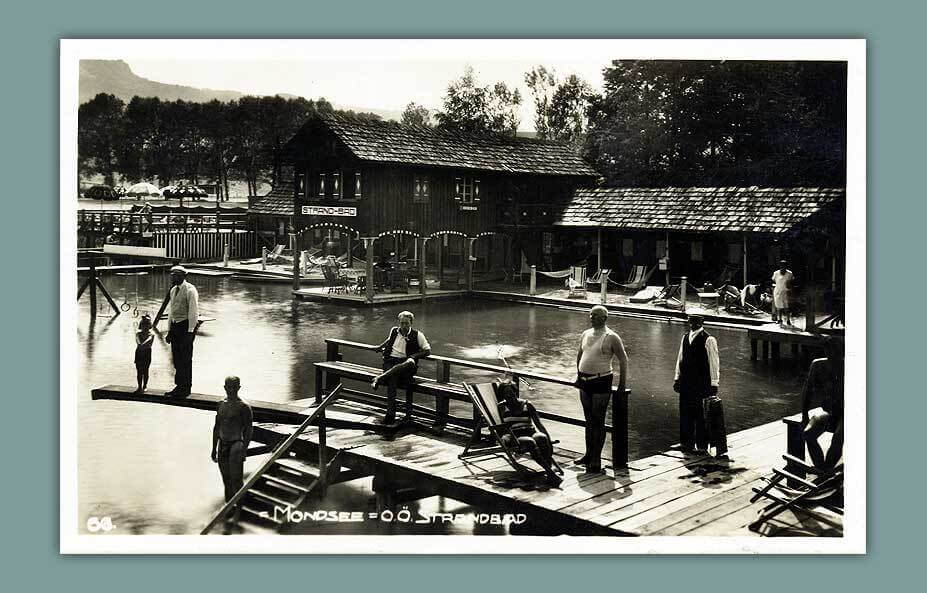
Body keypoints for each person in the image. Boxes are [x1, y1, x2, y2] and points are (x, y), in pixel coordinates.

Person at [574, 305, 629, 473]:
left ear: (604, 318)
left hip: (601, 381)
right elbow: (579, 355)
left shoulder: (611, 336)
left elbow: (623, 360)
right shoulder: (585, 333)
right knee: (588, 420)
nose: (592, 317)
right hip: (584, 381)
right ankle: (588, 454)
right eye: (590, 314)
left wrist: (622, 384)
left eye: (596, 315)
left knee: (598, 420)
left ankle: (596, 458)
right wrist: (577, 375)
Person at [497, 378, 563, 486]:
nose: (510, 395)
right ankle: (550, 473)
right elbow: (502, 427)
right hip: (514, 435)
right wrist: (505, 438)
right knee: (530, 442)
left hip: (530, 431)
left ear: (515, 391)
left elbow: (539, 424)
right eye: (507, 393)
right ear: (503, 395)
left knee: (541, 437)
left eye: (512, 392)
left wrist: (548, 438)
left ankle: (549, 470)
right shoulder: (502, 407)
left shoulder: (527, 405)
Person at [372, 311, 431, 424]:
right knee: (392, 378)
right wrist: (380, 347)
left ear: (411, 323)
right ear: (399, 322)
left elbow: (427, 351)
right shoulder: (394, 331)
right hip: (391, 362)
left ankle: (379, 379)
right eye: (402, 323)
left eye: (407, 324)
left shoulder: (418, 335)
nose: (404, 326)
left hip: (406, 365)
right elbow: (390, 340)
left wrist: (413, 356)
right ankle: (390, 414)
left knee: (408, 363)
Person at [673, 313, 720, 454]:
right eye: (691, 321)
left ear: (702, 322)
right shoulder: (685, 337)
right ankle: (686, 443)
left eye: (696, 321)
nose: (693, 324)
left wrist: (714, 383)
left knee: (701, 414)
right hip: (687, 381)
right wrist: (677, 377)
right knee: (685, 411)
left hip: (701, 382)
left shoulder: (709, 339)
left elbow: (714, 362)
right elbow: (680, 359)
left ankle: (701, 445)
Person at [211, 376, 253, 522]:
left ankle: (241, 511)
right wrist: (213, 448)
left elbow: (248, 429)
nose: (231, 390)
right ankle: (230, 508)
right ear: (224, 388)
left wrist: (244, 448)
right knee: (226, 479)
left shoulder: (243, 406)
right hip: (222, 444)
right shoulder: (221, 404)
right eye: (228, 387)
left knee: (236, 480)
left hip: (236, 444)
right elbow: (217, 427)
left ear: (239, 388)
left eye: (234, 387)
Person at [801, 338, 845, 472]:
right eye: (829, 350)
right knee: (808, 433)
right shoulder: (818, 365)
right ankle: (822, 469)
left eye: (836, 351)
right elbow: (807, 392)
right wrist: (804, 415)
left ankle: (827, 469)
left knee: (838, 437)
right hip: (828, 411)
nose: (832, 354)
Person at [165, 265, 199, 397]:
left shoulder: (190, 290)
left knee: (186, 359)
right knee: (177, 359)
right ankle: (178, 386)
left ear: (184, 276)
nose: (174, 277)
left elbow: (193, 312)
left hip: (185, 327)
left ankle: (186, 388)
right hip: (175, 327)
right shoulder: (173, 290)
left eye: (178, 275)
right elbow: (171, 312)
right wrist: (169, 330)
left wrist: (190, 332)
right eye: (173, 275)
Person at [134, 314, 154, 393]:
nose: (145, 327)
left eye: (147, 325)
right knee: (139, 371)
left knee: (146, 370)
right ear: (141, 326)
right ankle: (139, 387)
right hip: (139, 353)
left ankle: (145, 386)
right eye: (143, 325)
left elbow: (148, 341)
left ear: (149, 326)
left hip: (147, 353)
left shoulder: (152, 335)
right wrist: (141, 344)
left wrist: (142, 344)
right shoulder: (138, 334)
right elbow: (138, 342)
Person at [772, 260, 794, 326]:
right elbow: (774, 280)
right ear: (780, 266)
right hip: (778, 292)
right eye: (781, 265)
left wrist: (790, 289)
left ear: (786, 266)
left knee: (787, 307)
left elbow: (791, 282)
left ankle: (788, 320)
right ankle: (779, 320)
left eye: (784, 265)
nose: (783, 267)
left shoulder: (789, 273)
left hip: (786, 292)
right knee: (779, 307)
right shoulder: (776, 273)